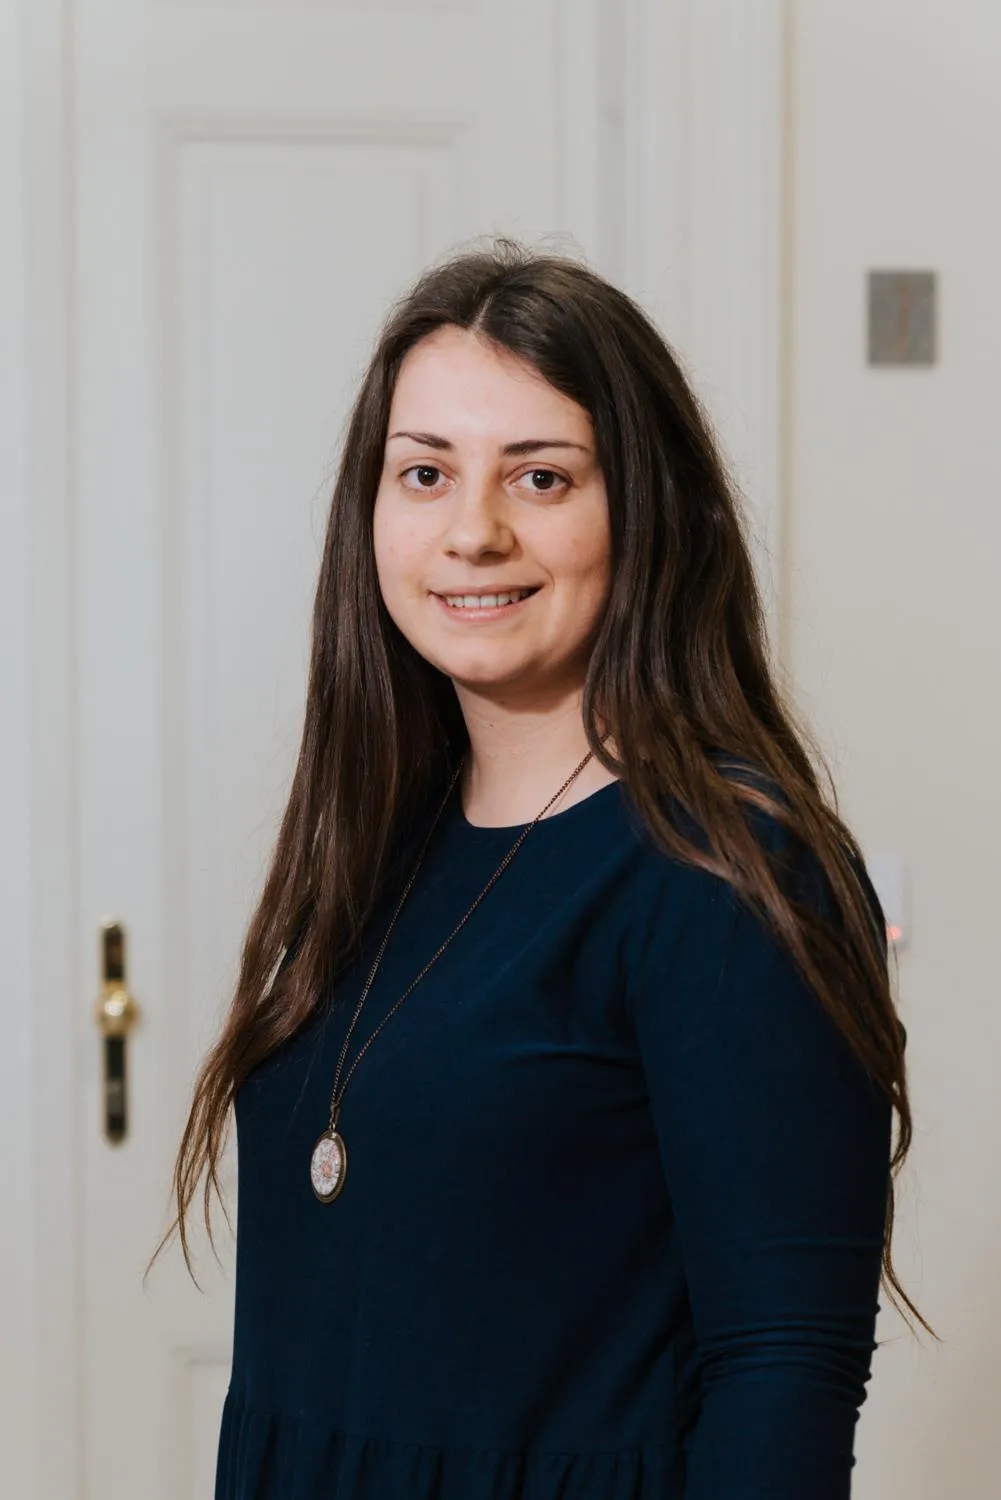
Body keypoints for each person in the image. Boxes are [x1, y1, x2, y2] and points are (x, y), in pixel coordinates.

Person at [147, 237, 932, 1498]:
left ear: (645, 510)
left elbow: (781, 1368)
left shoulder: (725, 873)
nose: (473, 530)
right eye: (424, 473)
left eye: (542, 475)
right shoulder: (380, 842)